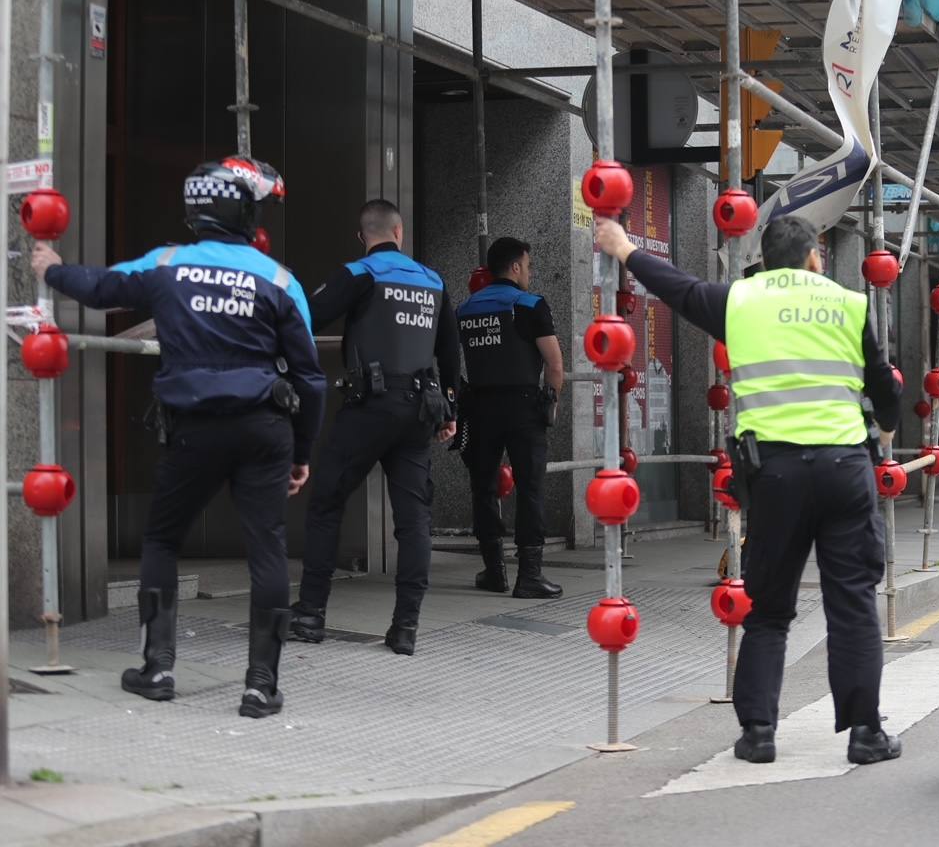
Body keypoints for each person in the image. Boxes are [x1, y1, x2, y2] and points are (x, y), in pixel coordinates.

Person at [594, 214, 903, 766]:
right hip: (842, 470)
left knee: (767, 611)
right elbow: (885, 391)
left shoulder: (739, 300)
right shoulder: (848, 304)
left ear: (766, 256)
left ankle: (758, 733)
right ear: (815, 257)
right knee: (853, 604)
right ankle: (865, 734)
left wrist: (624, 249)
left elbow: (678, 289)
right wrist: (883, 429)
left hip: (776, 475)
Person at [32, 157, 326, 718]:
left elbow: (100, 287)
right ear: (245, 215)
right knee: (266, 550)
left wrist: (51, 269)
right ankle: (261, 685)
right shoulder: (280, 279)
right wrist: (302, 452)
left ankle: (158, 668)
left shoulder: (166, 263)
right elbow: (310, 377)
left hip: (192, 431)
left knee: (163, 540)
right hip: (265, 429)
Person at [290, 200, 460, 656]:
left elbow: (304, 317)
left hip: (370, 407)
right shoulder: (433, 280)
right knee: (413, 523)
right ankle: (405, 629)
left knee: (326, 503)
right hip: (420, 412)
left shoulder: (360, 274)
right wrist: (449, 411)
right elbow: (450, 352)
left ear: (362, 236)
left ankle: (309, 616)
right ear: (399, 232)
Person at [457, 236, 565, 599]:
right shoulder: (529, 304)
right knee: (530, 488)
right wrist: (550, 403)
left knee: (483, 488)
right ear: (515, 267)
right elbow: (554, 363)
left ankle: (494, 571)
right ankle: (529, 575)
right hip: (523, 408)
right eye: (528, 266)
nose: (529, 273)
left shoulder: (466, 309)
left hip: (479, 407)